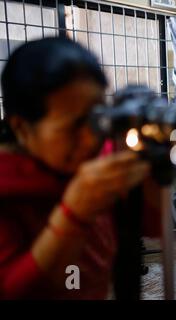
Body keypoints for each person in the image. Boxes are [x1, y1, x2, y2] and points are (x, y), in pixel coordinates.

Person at [0, 37, 152, 299]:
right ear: (21, 127)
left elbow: (152, 226)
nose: (91, 139)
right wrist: (74, 214)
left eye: (96, 120)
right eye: (72, 127)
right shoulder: (7, 187)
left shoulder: (98, 160)